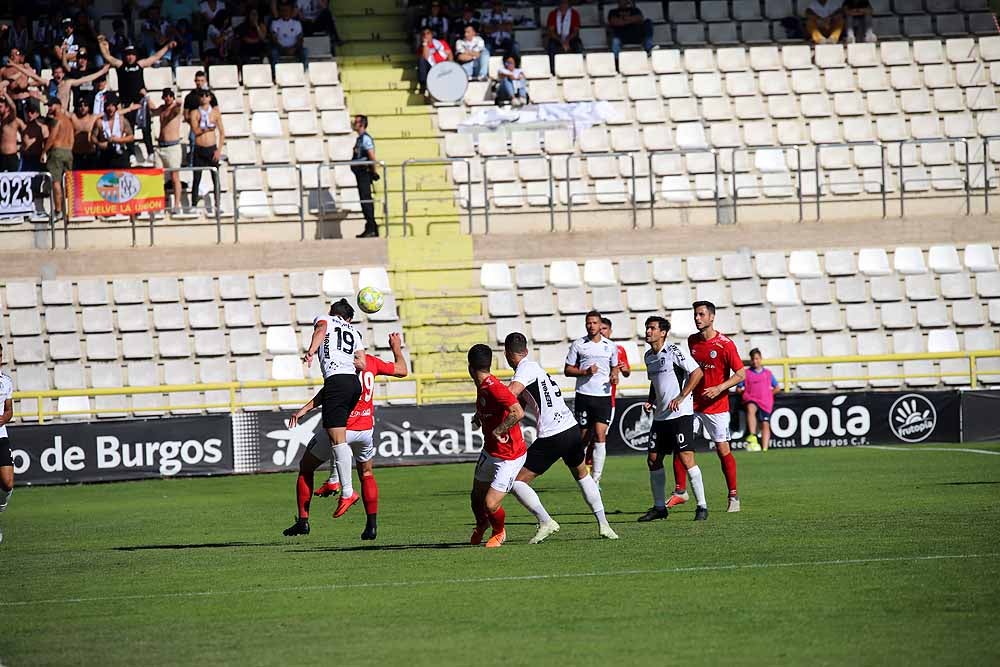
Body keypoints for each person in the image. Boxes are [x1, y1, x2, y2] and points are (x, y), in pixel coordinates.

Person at [284, 333, 408, 540]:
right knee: (366, 474)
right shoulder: (371, 362)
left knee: (306, 467)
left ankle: (303, 521)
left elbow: (328, 394)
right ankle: (371, 526)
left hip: (342, 430)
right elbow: (402, 370)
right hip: (365, 430)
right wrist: (396, 348)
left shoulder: (340, 364)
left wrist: (303, 410)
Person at [504, 332, 619, 544]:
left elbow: (510, 393)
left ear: (507, 354)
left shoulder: (524, 369)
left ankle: (546, 521)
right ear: (526, 350)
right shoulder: (535, 367)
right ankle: (604, 525)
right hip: (571, 429)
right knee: (583, 475)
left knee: (516, 482)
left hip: (552, 435)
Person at [675, 300, 747, 513]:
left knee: (722, 450)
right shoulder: (692, 341)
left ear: (712, 317)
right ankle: (680, 491)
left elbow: (741, 374)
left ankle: (733, 496)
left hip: (717, 406)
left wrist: (719, 388)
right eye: (695, 315)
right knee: (681, 445)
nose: (697, 318)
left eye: (701, 314)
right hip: (693, 404)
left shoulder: (725, 344)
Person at [637, 316, 708, 522]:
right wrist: (651, 399)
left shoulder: (674, 351)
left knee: (686, 459)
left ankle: (702, 506)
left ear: (663, 332)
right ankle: (660, 508)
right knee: (653, 459)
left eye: (652, 328)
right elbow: (656, 382)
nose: (648, 331)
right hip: (661, 417)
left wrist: (681, 396)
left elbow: (697, 372)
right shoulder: (649, 356)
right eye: (647, 328)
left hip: (680, 414)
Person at [301, 298, 368, 520]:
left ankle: (347, 492)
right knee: (335, 434)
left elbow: (321, 330)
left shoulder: (325, 319)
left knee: (338, 439)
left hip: (336, 381)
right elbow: (362, 363)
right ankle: (333, 480)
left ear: (332, 313)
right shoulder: (355, 332)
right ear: (348, 318)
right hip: (353, 384)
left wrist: (311, 351)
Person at [467, 343, 525, 548]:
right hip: (490, 451)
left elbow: (517, 412)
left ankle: (499, 532)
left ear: (470, 368)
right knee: (476, 497)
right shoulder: (483, 387)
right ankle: (481, 525)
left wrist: (499, 430)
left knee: (490, 504)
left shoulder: (494, 387)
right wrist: (479, 416)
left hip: (509, 455)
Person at [97, 39, 176, 163]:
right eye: (128, 55)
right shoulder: (120, 65)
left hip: (140, 103)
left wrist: (167, 46)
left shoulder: (140, 64)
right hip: (127, 104)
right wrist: (101, 45)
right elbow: (107, 56)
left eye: (132, 54)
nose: (130, 57)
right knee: (129, 129)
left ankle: (150, 153)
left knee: (146, 128)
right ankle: (131, 154)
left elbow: (155, 57)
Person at [564, 310, 619, 487]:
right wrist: (585, 372)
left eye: (595, 323)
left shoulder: (610, 346)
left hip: (603, 396)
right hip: (584, 395)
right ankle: (581, 472)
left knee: (600, 435)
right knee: (584, 437)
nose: (591, 326)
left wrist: (615, 375)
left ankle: (595, 479)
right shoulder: (578, 345)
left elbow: (615, 367)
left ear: (599, 324)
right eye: (589, 323)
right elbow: (567, 370)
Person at [587, 316, 630, 481]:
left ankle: (595, 477)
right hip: (588, 397)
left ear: (610, 331)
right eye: (601, 328)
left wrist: (624, 370)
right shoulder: (588, 348)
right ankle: (587, 470)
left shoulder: (617, 349)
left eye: (605, 329)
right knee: (588, 436)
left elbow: (625, 372)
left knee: (599, 435)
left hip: (607, 400)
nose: (602, 331)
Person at [148, 88, 184, 212]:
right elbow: (153, 110)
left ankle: (177, 204)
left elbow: (176, 109)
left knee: (175, 176)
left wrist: (178, 103)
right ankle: (159, 204)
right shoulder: (162, 108)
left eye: (170, 96)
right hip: (161, 146)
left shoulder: (175, 109)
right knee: (157, 176)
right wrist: (146, 97)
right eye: (166, 96)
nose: (168, 98)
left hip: (172, 147)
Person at [738, 348, 780, 453]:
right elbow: (739, 388)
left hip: (765, 402)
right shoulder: (746, 373)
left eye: (757, 358)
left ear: (760, 359)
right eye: (753, 359)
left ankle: (765, 448)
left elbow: (777, 387)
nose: (755, 361)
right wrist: (745, 394)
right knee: (751, 408)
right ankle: (752, 435)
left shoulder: (767, 373)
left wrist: (768, 394)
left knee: (765, 424)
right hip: (752, 399)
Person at [188, 89, 224, 210]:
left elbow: (222, 132)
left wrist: (219, 150)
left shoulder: (215, 113)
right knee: (196, 178)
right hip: (199, 148)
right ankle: (193, 204)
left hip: (211, 149)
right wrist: (207, 129)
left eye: (206, 96)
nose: (204, 98)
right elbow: (196, 130)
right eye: (202, 96)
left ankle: (218, 204)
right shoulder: (194, 113)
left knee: (215, 178)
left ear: (210, 98)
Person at [41, 97, 75, 217]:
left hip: (57, 151)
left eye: (51, 105)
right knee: (69, 180)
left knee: (56, 181)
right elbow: (72, 139)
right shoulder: (69, 121)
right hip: (68, 151)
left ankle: (58, 210)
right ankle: (71, 209)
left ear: (58, 105)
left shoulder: (56, 120)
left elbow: (52, 137)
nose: (49, 108)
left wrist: (44, 151)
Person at [351, 114, 379, 238]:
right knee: (364, 200)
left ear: (362, 124)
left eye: (356, 122)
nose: (354, 123)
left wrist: (374, 171)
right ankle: (370, 226)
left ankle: (372, 228)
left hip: (364, 172)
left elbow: (371, 156)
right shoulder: (359, 139)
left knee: (366, 200)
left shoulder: (366, 139)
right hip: (360, 173)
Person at [91, 92, 134, 169]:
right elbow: (93, 137)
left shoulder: (122, 120)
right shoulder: (99, 122)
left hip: (119, 153)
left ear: (115, 107)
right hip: (105, 155)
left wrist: (118, 140)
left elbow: (131, 137)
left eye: (112, 106)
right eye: (108, 106)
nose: (110, 109)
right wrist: (99, 144)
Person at [607, 0, 653, 69]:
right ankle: (617, 64)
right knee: (615, 41)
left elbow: (640, 18)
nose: (624, 2)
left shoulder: (635, 10)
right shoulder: (613, 12)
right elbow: (615, 22)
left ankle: (648, 48)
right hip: (621, 37)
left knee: (648, 22)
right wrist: (631, 20)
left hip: (636, 36)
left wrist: (623, 20)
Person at [0, 342, 15, 545]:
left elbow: (9, 410)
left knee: (7, 483)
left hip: (0, 435)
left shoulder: (6, 382)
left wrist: (4, 418)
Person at [269, 2, 308, 72]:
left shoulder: (296, 23)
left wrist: (294, 48)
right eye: (283, 11)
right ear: (280, 12)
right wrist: (284, 49)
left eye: (287, 10)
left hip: (294, 48)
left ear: (291, 11)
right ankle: (275, 74)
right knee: (273, 52)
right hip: (280, 48)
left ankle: (305, 72)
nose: (285, 12)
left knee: (305, 51)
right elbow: (274, 39)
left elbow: (300, 39)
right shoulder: (275, 23)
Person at [545, 0, 581, 74]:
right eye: (561, 3)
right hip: (557, 38)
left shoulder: (574, 14)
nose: (563, 5)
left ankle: (578, 68)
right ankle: (553, 70)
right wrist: (561, 41)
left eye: (565, 3)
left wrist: (567, 41)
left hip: (570, 38)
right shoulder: (553, 14)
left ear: (568, 4)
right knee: (551, 46)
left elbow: (575, 31)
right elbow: (551, 32)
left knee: (578, 46)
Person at [416, 27, 452, 98]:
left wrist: (450, 65)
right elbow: (425, 57)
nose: (426, 35)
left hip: (442, 66)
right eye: (424, 34)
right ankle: (423, 84)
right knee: (421, 60)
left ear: (431, 35)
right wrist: (425, 44)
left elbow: (450, 54)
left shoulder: (441, 43)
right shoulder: (421, 47)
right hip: (430, 68)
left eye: (428, 33)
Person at [0, 84, 25, 172]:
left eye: (1, 106)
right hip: (2, 156)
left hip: (11, 156)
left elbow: (13, 107)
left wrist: (5, 93)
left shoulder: (11, 119)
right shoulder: (1, 120)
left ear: (7, 108)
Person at [70, 97, 100, 170]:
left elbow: (116, 112)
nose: (83, 108)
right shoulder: (73, 117)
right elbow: (61, 110)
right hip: (77, 154)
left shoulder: (93, 117)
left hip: (90, 154)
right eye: (80, 105)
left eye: (85, 105)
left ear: (89, 107)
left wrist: (130, 109)